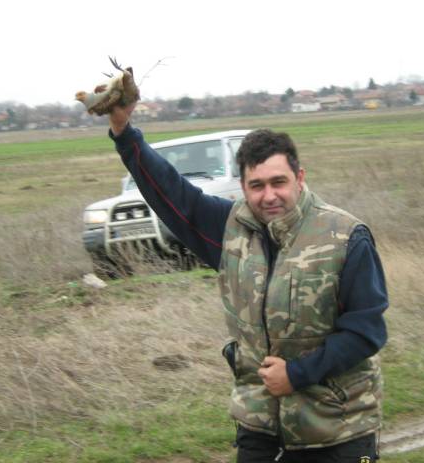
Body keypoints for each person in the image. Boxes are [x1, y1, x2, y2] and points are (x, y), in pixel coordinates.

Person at [108, 104, 388, 462]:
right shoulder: (228, 230)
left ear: (300, 178)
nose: (268, 196)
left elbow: (366, 332)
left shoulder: (346, 237)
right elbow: (171, 193)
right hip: (259, 426)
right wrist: (124, 132)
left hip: (338, 429)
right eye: (257, 185)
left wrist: (297, 374)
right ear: (242, 186)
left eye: (278, 182)